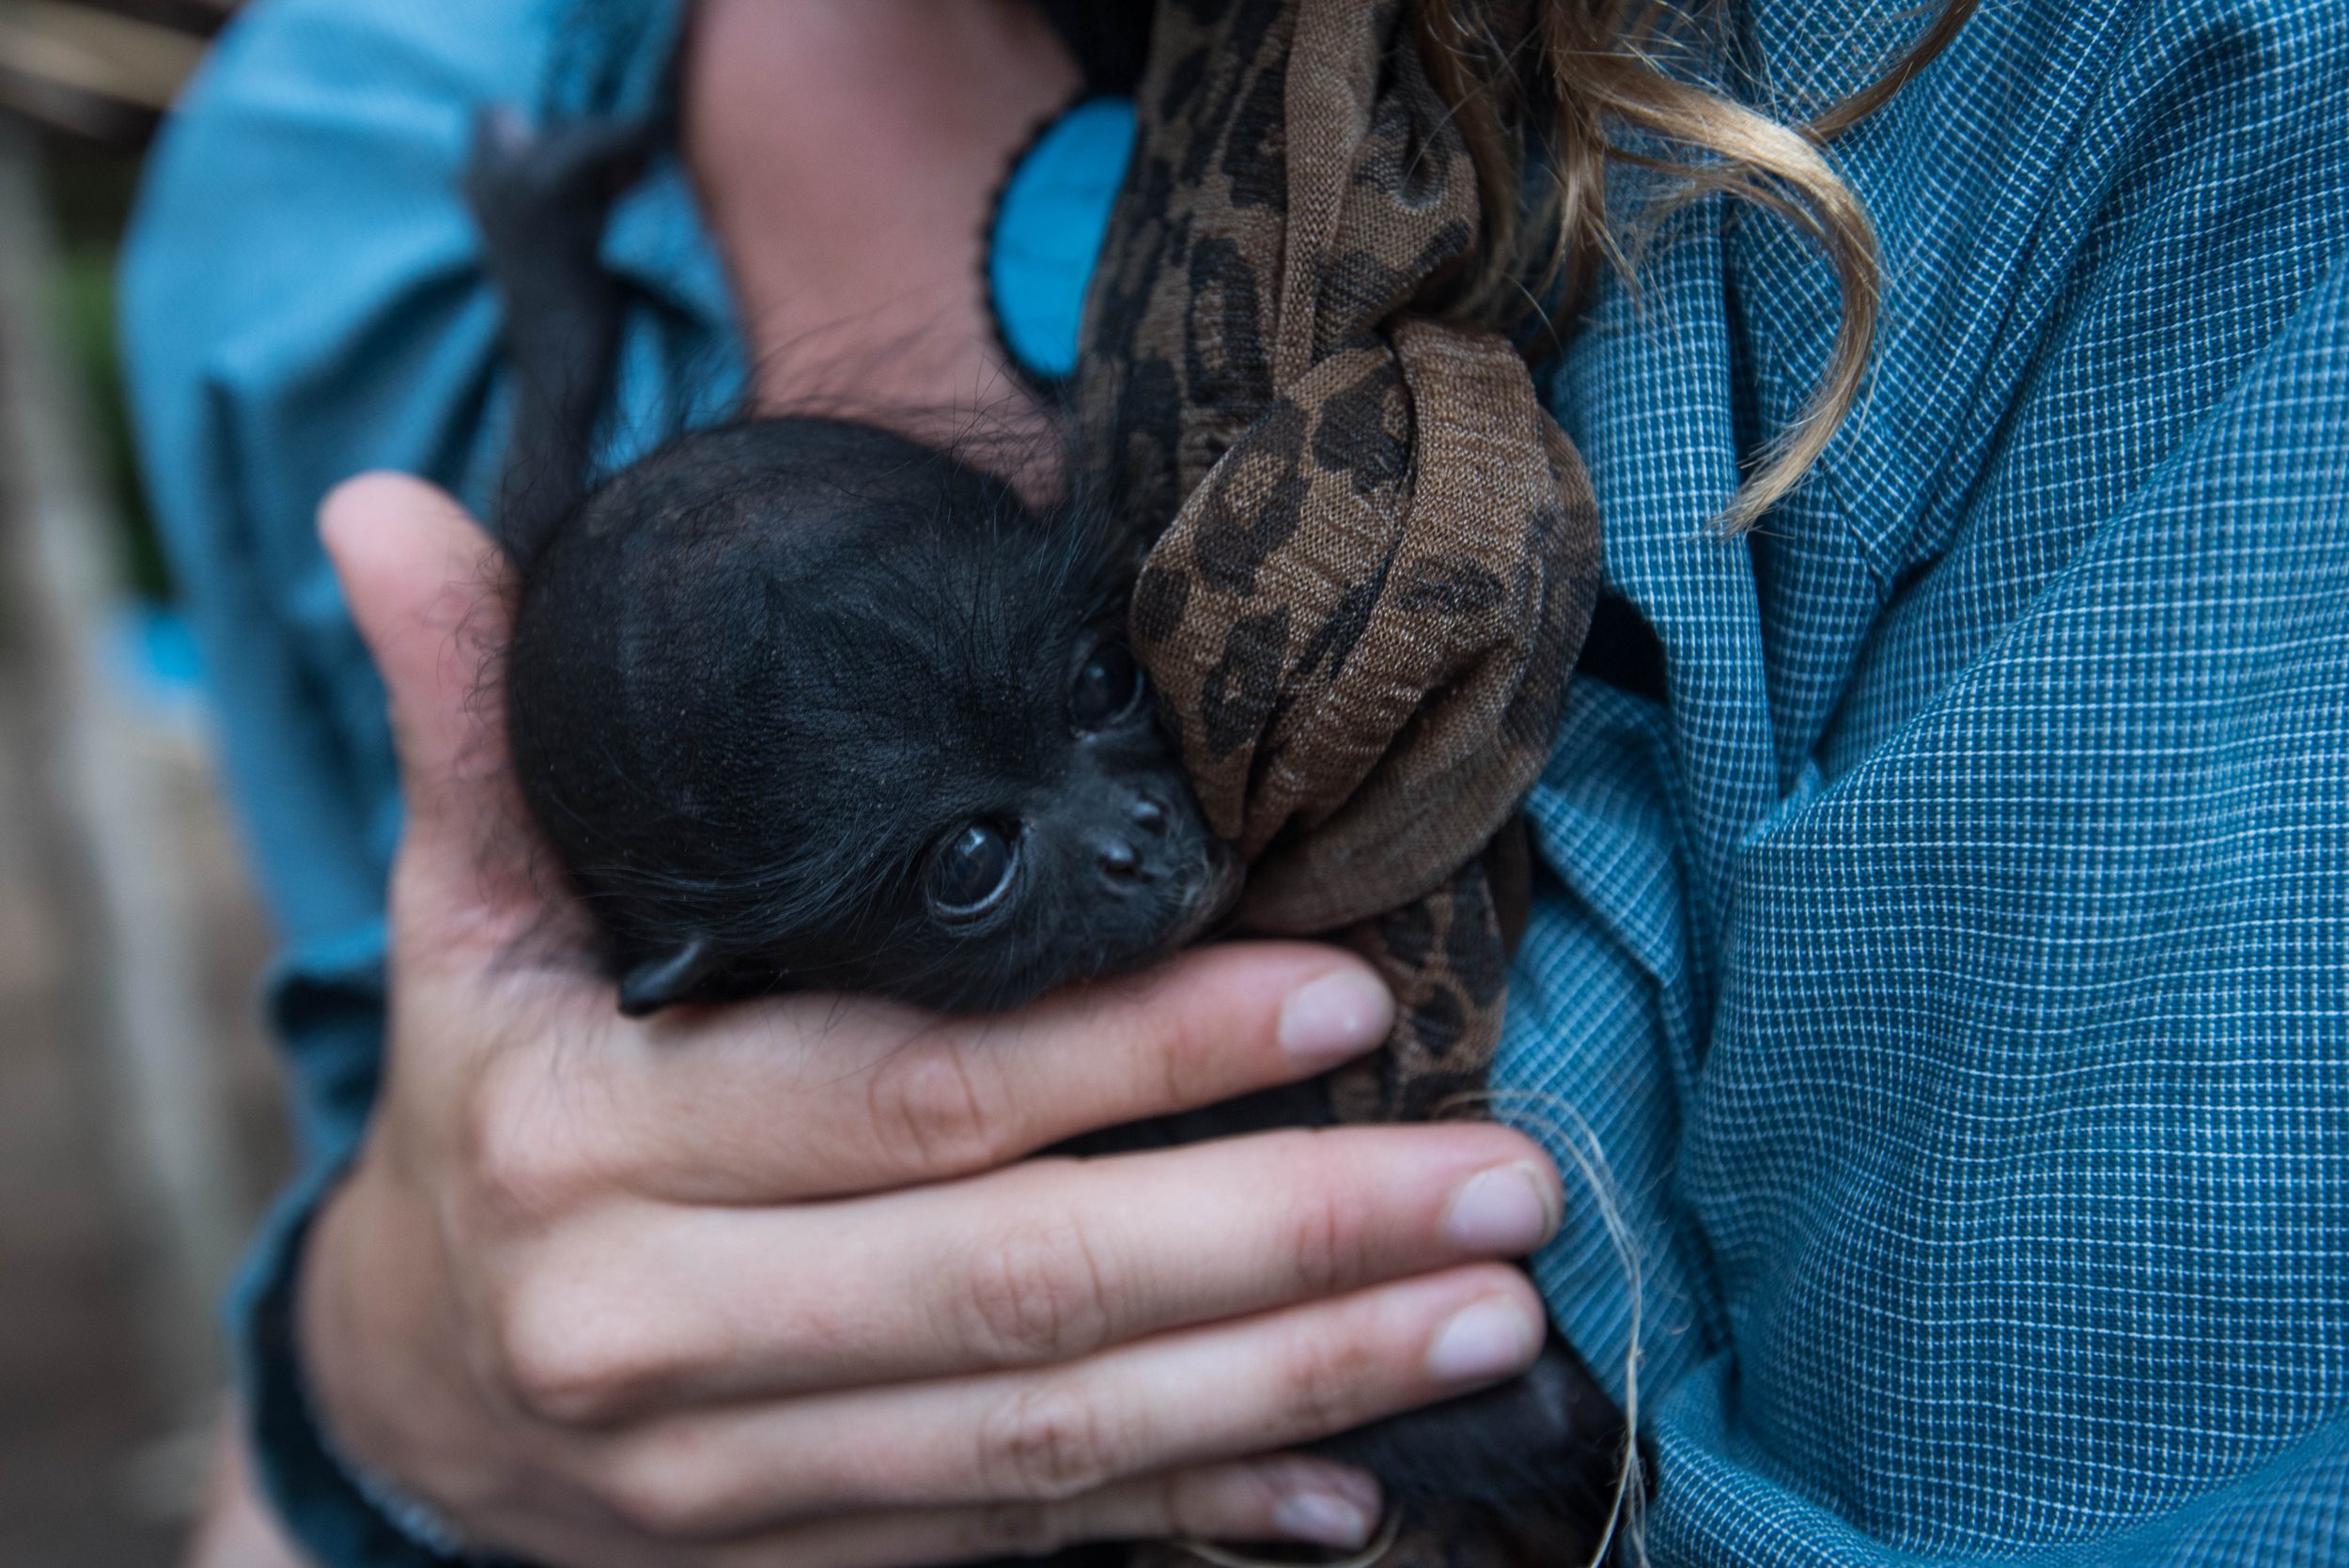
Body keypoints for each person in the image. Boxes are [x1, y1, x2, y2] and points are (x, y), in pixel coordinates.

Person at [120, 1, 2349, 1565]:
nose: (1128, 823)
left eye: (1109, 685)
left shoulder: (2097, 94)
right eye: (974, 861)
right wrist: (391, 1401)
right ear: (710, 967)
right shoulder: (341, 194)